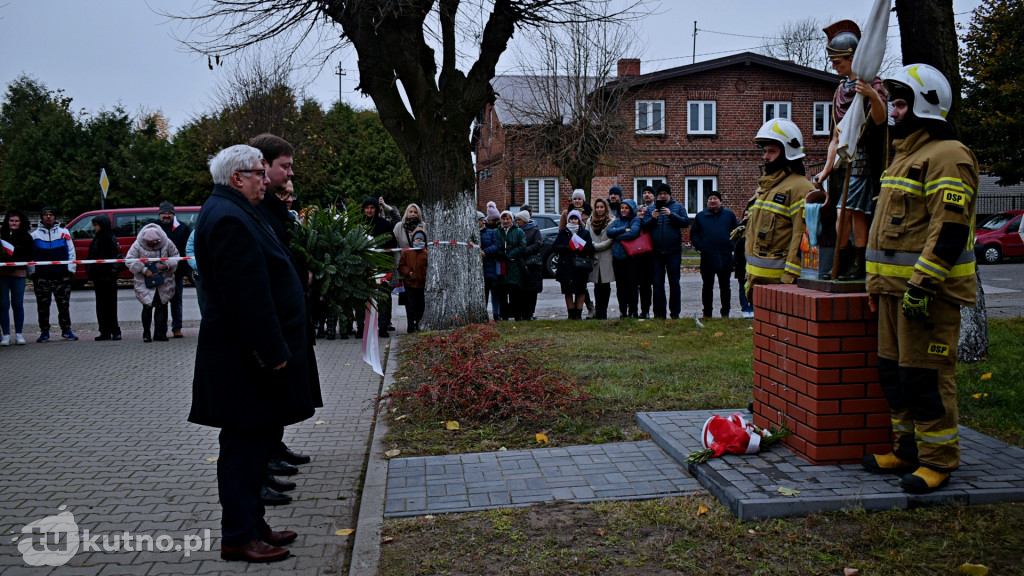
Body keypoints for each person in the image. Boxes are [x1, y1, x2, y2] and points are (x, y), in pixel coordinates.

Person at [189, 144, 314, 563]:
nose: (267, 179)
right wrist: (275, 352)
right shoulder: (227, 218)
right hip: (245, 361)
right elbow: (247, 298)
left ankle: (253, 525)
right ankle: (238, 536)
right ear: (236, 177)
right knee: (243, 451)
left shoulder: (237, 210)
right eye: (259, 173)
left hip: (248, 360)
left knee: (256, 447)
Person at [862, 64, 979, 495]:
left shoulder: (949, 155)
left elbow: (947, 230)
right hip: (895, 295)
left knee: (926, 377)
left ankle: (938, 460)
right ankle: (907, 449)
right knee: (894, 374)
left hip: (927, 295)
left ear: (925, 105)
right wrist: (879, 287)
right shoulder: (905, 155)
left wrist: (922, 285)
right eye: (892, 102)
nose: (892, 111)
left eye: (900, 102)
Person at [250, 133, 318, 497]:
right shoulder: (250, 212)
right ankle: (262, 465)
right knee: (263, 405)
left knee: (278, 397)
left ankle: (272, 452)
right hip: (269, 327)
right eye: (285, 167)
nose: (290, 174)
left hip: (287, 319)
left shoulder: (270, 207)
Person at [812, 20, 888, 280]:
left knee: (853, 212)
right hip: (842, 164)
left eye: (838, 62)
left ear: (853, 57)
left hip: (863, 158)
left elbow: (881, 121)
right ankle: (841, 262)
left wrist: (872, 95)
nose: (834, 67)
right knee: (839, 212)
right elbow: (835, 136)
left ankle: (858, 262)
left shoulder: (872, 85)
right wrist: (825, 170)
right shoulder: (839, 91)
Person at [744, 118, 812, 305]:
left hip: (780, 284)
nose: (765, 157)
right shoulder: (766, 188)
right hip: (756, 281)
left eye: (772, 151)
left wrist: (788, 280)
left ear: (789, 152)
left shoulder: (801, 188)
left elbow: (802, 238)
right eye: (765, 151)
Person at [28, 206, 78, 342]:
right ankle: (44, 331)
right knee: (43, 306)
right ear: (41, 217)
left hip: (61, 276)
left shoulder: (64, 233)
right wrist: (32, 273)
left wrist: (70, 269)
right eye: (45, 215)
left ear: (55, 217)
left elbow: (71, 252)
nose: (48, 217)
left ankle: (66, 330)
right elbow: (31, 256)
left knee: (63, 305)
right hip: (42, 278)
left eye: (51, 214)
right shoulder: (34, 236)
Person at [641, 183, 689, 319]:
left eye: (665, 193)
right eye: (660, 193)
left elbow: (685, 222)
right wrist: (653, 218)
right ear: (657, 196)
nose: (662, 196)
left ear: (669, 194)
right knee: (657, 284)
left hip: (673, 251)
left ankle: (675, 313)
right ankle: (659, 313)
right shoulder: (651, 209)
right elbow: (644, 227)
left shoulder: (678, 207)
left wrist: (671, 215)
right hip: (655, 252)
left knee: (674, 283)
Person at [127, 223, 178, 342]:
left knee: (162, 305)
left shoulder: (167, 242)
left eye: (154, 242)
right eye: (149, 243)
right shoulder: (137, 245)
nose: (152, 244)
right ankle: (146, 333)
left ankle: (160, 333)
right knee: (147, 306)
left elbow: (176, 256)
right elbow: (129, 260)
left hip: (164, 279)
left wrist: (166, 265)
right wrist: (144, 270)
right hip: (144, 280)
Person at [691, 191, 739, 318]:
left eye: (715, 199)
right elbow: (694, 234)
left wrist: (731, 245)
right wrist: (701, 247)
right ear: (707, 202)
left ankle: (725, 313)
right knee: (707, 286)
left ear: (720, 202)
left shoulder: (729, 215)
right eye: (710, 199)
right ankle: (707, 313)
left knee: (725, 286)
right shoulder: (701, 216)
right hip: (707, 256)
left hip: (725, 256)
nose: (713, 201)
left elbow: (737, 232)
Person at [360, 196, 400, 338]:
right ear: (363, 210)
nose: (370, 211)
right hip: (364, 266)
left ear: (377, 209)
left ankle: (383, 327)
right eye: (367, 208)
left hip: (383, 266)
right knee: (363, 296)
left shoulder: (385, 224)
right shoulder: (359, 224)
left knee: (383, 296)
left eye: (372, 208)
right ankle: (361, 327)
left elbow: (393, 243)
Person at [157, 201, 192, 338]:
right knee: (162, 301)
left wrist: (186, 269)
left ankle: (177, 328)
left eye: (169, 213)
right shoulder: (153, 227)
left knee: (176, 300)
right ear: (160, 214)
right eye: (164, 213)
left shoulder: (183, 228)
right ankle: (162, 328)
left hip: (177, 271)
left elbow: (187, 249)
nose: (166, 215)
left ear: (173, 214)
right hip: (160, 272)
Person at [86, 215, 123, 341]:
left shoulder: (106, 238)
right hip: (101, 276)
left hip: (107, 276)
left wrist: (94, 269)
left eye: (96, 225)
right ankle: (106, 330)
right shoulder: (102, 237)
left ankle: (112, 330)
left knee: (108, 305)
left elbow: (106, 257)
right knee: (102, 305)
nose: (94, 228)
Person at [553, 210, 594, 319]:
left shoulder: (584, 232)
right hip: (566, 265)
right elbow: (555, 246)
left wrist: (580, 248)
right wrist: (566, 247)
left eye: (575, 219)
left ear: (579, 220)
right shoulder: (563, 232)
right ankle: (571, 313)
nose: (573, 221)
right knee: (568, 290)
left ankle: (578, 313)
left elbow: (590, 248)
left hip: (580, 266)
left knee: (581, 290)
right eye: (571, 218)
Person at [1, 210, 34, 345]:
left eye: (16, 221)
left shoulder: (26, 237)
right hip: (2, 275)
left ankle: (19, 334)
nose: (13, 223)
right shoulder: (2, 235)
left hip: (19, 275)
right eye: (11, 221)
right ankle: (6, 334)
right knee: (3, 305)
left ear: (21, 222)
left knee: (18, 304)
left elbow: (29, 255)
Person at [607, 199, 642, 318]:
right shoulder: (617, 221)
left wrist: (617, 236)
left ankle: (633, 311)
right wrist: (622, 230)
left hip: (631, 258)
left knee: (632, 286)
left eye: (626, 208)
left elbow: (633, 233)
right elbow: (609, 232)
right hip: (618, 258)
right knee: (620, 287)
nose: (624, 210)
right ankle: (623, 311)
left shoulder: (635, 219)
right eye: (622, 208)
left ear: (631, 209)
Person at [393, 203, 425, 325]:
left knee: (420, 300)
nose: (412, 214)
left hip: (420, 269)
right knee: (408, 299)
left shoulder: (423, 227)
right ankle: (410, 324)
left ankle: (419, 322)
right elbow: (395, 248)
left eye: (415, 212)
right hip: (404, 268)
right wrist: (399, 268)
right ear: (406, 213)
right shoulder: (398, 227)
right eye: (410, 211)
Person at [493, 210, 525, 321]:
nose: (505, 221)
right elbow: (494, 245)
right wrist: (501, 254)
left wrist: (510, 254)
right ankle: (504, 315)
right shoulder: (496, 232)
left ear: (512, 220)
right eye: (503, 219)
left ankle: (517, 314)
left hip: (514, 265)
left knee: (515, 292)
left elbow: (522, 246)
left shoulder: (519, 232)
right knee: (502, 292)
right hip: (501, 265)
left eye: (508, 219)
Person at [587, 198, 615, 319]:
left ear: (606, 208)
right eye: (597, 207)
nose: (599, 209)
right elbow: (587, 236)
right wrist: (592, 245)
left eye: (601, 207)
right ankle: (598, 312)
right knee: (597, 285)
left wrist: (596, 246)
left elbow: (611, 239)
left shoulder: (612, 221)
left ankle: (603, 312)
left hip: (606, 256)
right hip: (594, 257)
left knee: (605, 285)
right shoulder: (590, 221)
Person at [397, 229, 428, 332]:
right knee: (410, 307)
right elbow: (401, 266)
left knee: (421, 306)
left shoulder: (426, 253)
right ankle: (410, 327)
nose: (418, 241)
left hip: (422, 284)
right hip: (410, 285)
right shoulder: (407, 253)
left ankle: (419, 325)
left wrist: (424, 275)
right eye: (417, 239)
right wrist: (409, 272)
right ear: (413, 240)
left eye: (421, 239)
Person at [516, 209, 544, 321]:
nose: (517, 221)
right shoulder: (517, 230)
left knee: (532, 291)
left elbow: (537, 244)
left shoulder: (534, 231)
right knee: (521, 290)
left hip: (532, 265)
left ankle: (530, 313)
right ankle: (522, 312)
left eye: (519, 219)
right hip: (520, 263)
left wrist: (524, 250)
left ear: (524, 220)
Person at [636, 186, 657, 318]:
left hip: (650, 256)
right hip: (637, 256)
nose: (647, 195)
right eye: (644, 193)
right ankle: (639, 310)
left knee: (648, 285)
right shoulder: (635, 223)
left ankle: (647, 310)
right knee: (638, 285)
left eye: (649, 193)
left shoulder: (654, 215)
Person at [730, 209, 755, 318]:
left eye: (749, 214)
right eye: (745, 214)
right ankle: (745, 308)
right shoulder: (739, 230)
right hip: (741, 264)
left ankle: (753, 308)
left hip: (753, 263)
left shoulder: (756, 229)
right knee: (742, 288)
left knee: (753, 288)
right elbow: (733, 243)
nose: (747, 216)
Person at [480, 207, 502, 320]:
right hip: (479, 267)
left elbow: (496, 245)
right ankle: (482, 314)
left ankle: (496, 313)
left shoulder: (490, 232)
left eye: (483, 220)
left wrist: (485, 252)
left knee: (494, 291)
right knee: (483, 293)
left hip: (490, 265)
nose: (482, 222)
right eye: (480, 220)